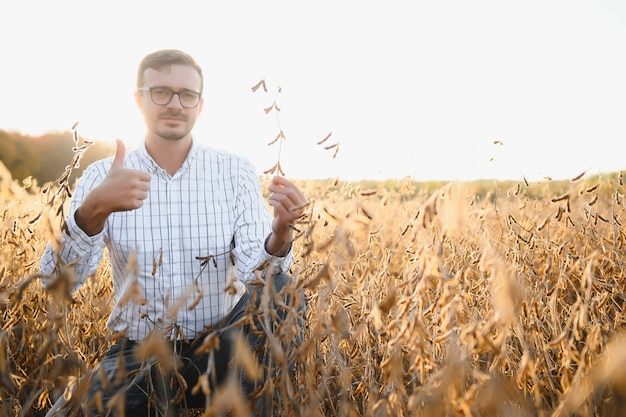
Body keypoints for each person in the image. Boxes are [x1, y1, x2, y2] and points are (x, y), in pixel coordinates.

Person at [40, 49, 307, 416]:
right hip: (139, 354)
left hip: (221, 350)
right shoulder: (102, 176)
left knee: (283, 293)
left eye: (187, 95)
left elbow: (259, 279)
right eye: (160, 92)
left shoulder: (234, 172)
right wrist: (92, 212)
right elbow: (55, 282)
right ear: (138, 100)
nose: (174, 104)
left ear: (200, 105)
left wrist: (280, 232)